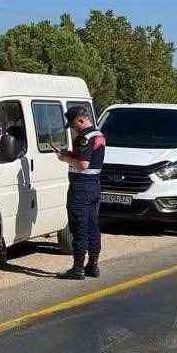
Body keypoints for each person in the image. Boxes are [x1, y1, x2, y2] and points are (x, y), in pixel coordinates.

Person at [57, 105, 105, 280]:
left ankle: (78, 269)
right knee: (93, 226)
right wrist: (72, 154)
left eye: (73, 124)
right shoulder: (98, 135)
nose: (72, 128)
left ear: (80, 119)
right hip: (94, 186)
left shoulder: (84, 138)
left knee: (79, 227)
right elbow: (89, 159)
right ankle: (93, 266)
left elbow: (83, 164)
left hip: (81, 187)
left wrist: (65, 158)